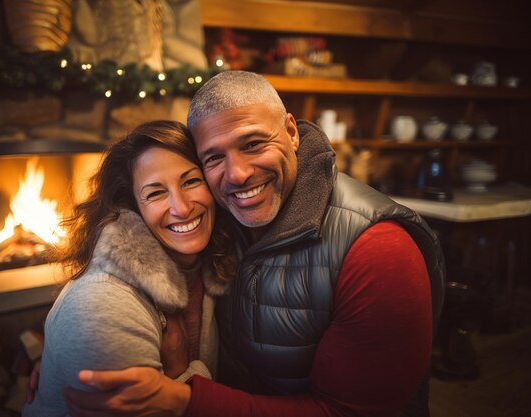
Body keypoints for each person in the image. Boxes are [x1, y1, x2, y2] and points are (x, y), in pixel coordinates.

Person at [62, 70, 447, 417]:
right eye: (213, 157)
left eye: (252, 144)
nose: (238, 174)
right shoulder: (217, 218)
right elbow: (118, 268)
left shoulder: (378, 250)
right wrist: (71, 342)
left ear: (292, 133)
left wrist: (186, 394)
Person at [22, 120, 235, 417]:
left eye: (190, 181)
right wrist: (184, 376)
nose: (182, 208)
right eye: (156, 193)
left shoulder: (215, 263)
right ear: (131, 207)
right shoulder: (104, 304)